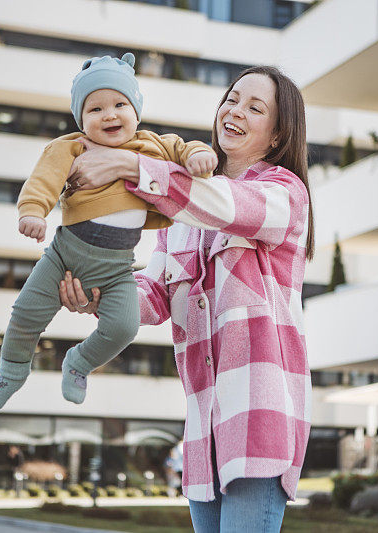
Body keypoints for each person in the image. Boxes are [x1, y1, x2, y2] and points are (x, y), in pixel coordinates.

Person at [59, 66, 314, 533]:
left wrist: (130, 165)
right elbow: (152, 297)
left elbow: (229, 206)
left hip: (260, 420)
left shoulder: (285, 194)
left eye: (255, 108)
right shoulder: (180, 216)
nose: (234, 111)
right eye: (232, 99)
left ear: (277, 134)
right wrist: (96, 295)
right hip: (203, 431)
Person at [0, 53, 217, 411]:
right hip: (64, 256)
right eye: (95, 109)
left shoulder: (153, 145)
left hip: (117, 268)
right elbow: (43, 180)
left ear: (136, 110)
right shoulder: (72, 146)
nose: (109, 114)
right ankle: (12, 371)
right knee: (25, 315)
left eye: (120, 104)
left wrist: (201, 155)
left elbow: (186, 150)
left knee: (124, 328)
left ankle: (79, 363)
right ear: (81, 119)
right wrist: (33, 212)